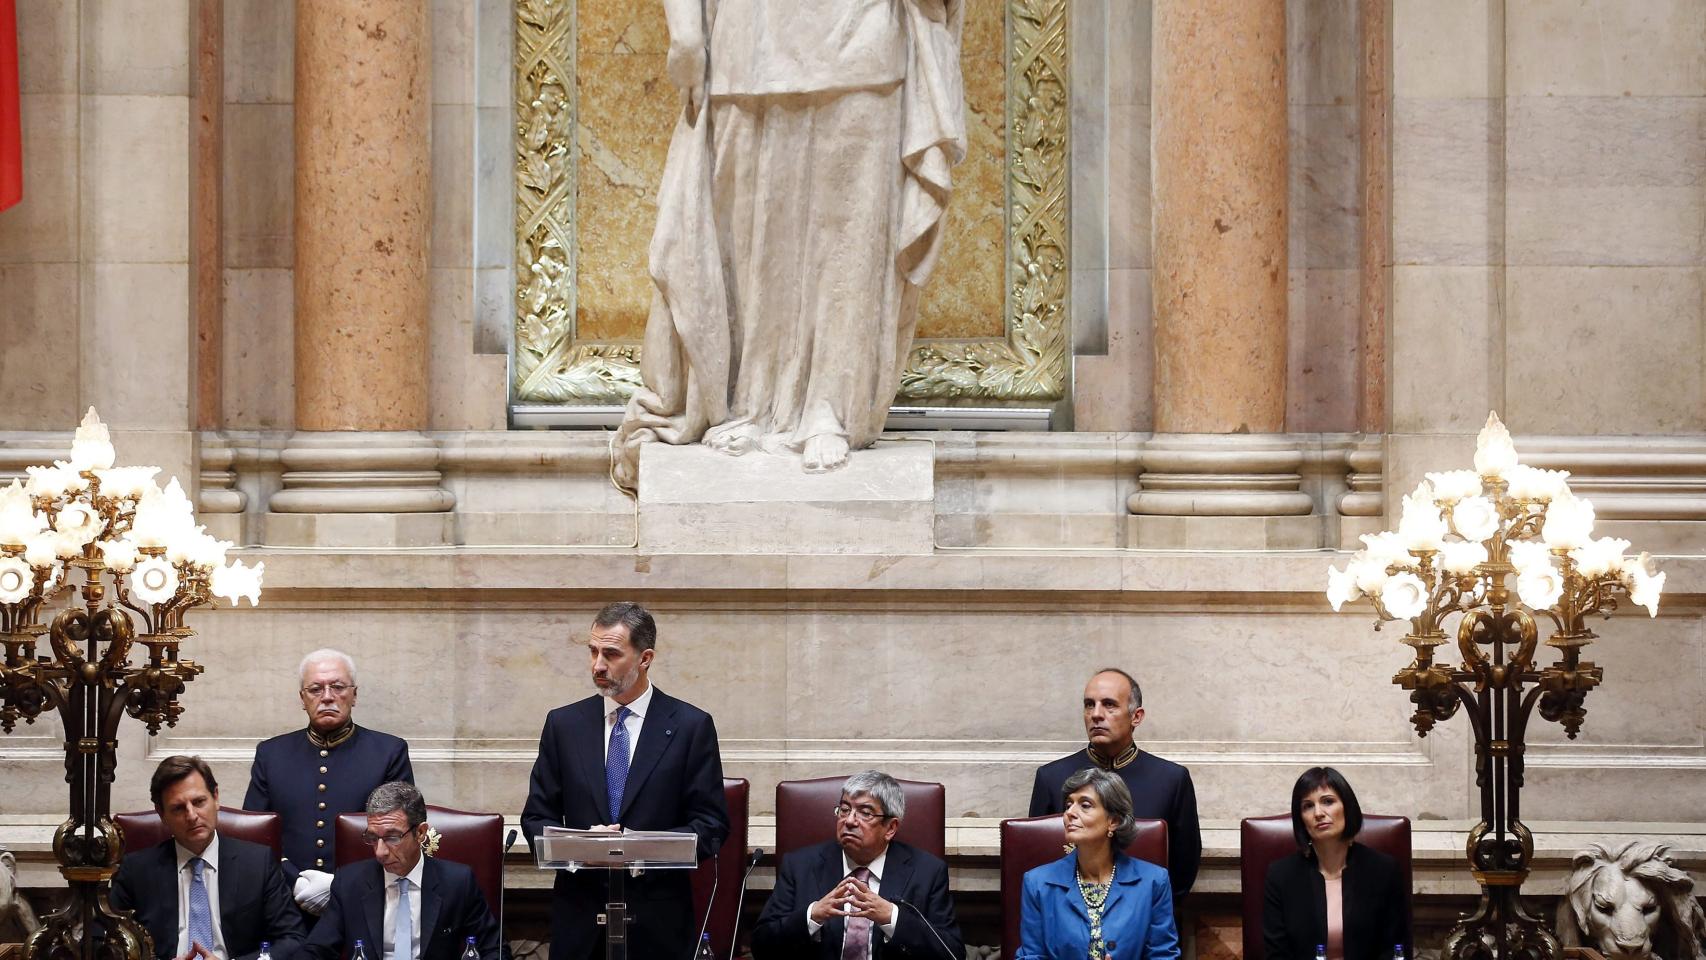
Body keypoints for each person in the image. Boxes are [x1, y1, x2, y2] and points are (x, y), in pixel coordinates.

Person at [612, 0, 967, 480]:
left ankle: (829, 406)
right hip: (747, 40)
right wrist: (685, 29)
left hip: (862, 39)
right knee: (754, 240)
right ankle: (750, 403)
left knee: (850, 235)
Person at [520, 602, 730, 960]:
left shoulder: (690, 727)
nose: (597, 665)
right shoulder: (564, 725)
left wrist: (637, 847)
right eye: (593, 651)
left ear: (645, 658)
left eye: (611, 654)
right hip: (580, 917)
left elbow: (710, 826)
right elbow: (536, 820)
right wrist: (584, 846)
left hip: (657, 921)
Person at [244, 649, 413, 918]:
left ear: (354, 695)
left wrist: (340, 884)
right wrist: (294, 879)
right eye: (315, 689)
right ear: (302, 699)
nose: (327, 697)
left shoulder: (388, 752)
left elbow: (400, 834)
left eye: (337, 687)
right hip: (286, 903)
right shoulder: (271, 754)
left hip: (364, 901)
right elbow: (254, 835)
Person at [751, 770, 963, 959]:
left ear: (890, 828)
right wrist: (812, 915)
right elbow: (761, 946)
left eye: (865, 813)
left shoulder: (927, 872)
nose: (850, 821)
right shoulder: (800, 866)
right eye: (844, 810)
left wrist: (892, 917)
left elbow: (952, 952)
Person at [1028, 668, 1201, 898]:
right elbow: (1038, 859)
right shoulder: (1051, 778)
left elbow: (1182, 869)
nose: (1096, 714)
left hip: (1143, 917)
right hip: (1066, 916)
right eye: (1089, 705)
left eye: (1109, 704)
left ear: (1136, 716)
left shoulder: (1171, 780)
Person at [111, 755, 305, 960]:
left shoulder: (258, 863)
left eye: (199, 802)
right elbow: (108, 941)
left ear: (216, 798)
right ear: (162, 814)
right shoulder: (136, 870)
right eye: (178, 808)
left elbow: (292, 939)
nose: (192, 815)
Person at [301, 782, 501, 960]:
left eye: (392, 838)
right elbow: (317, 950)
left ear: (420, 833)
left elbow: (493, 950)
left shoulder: (458, 882)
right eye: (372, 838)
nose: (380, 852)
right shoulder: (349, 882)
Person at [1018, 768, 1179, 960]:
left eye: (1085, 805)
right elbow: (1032, 956)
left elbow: (1163, 956)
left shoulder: (1153, 881)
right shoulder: (1037, 882)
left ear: (1113, 821)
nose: (1070, 812)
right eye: (1068, 804)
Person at [1262, 767, 1407, 960]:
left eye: (1328, 802)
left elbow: (1394, 948)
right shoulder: (1281, 876)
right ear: (1301, 820)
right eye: (1308, 806)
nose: (1318, 813)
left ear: (1347, 807)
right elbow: (1277, 954)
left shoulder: (1384, 871)